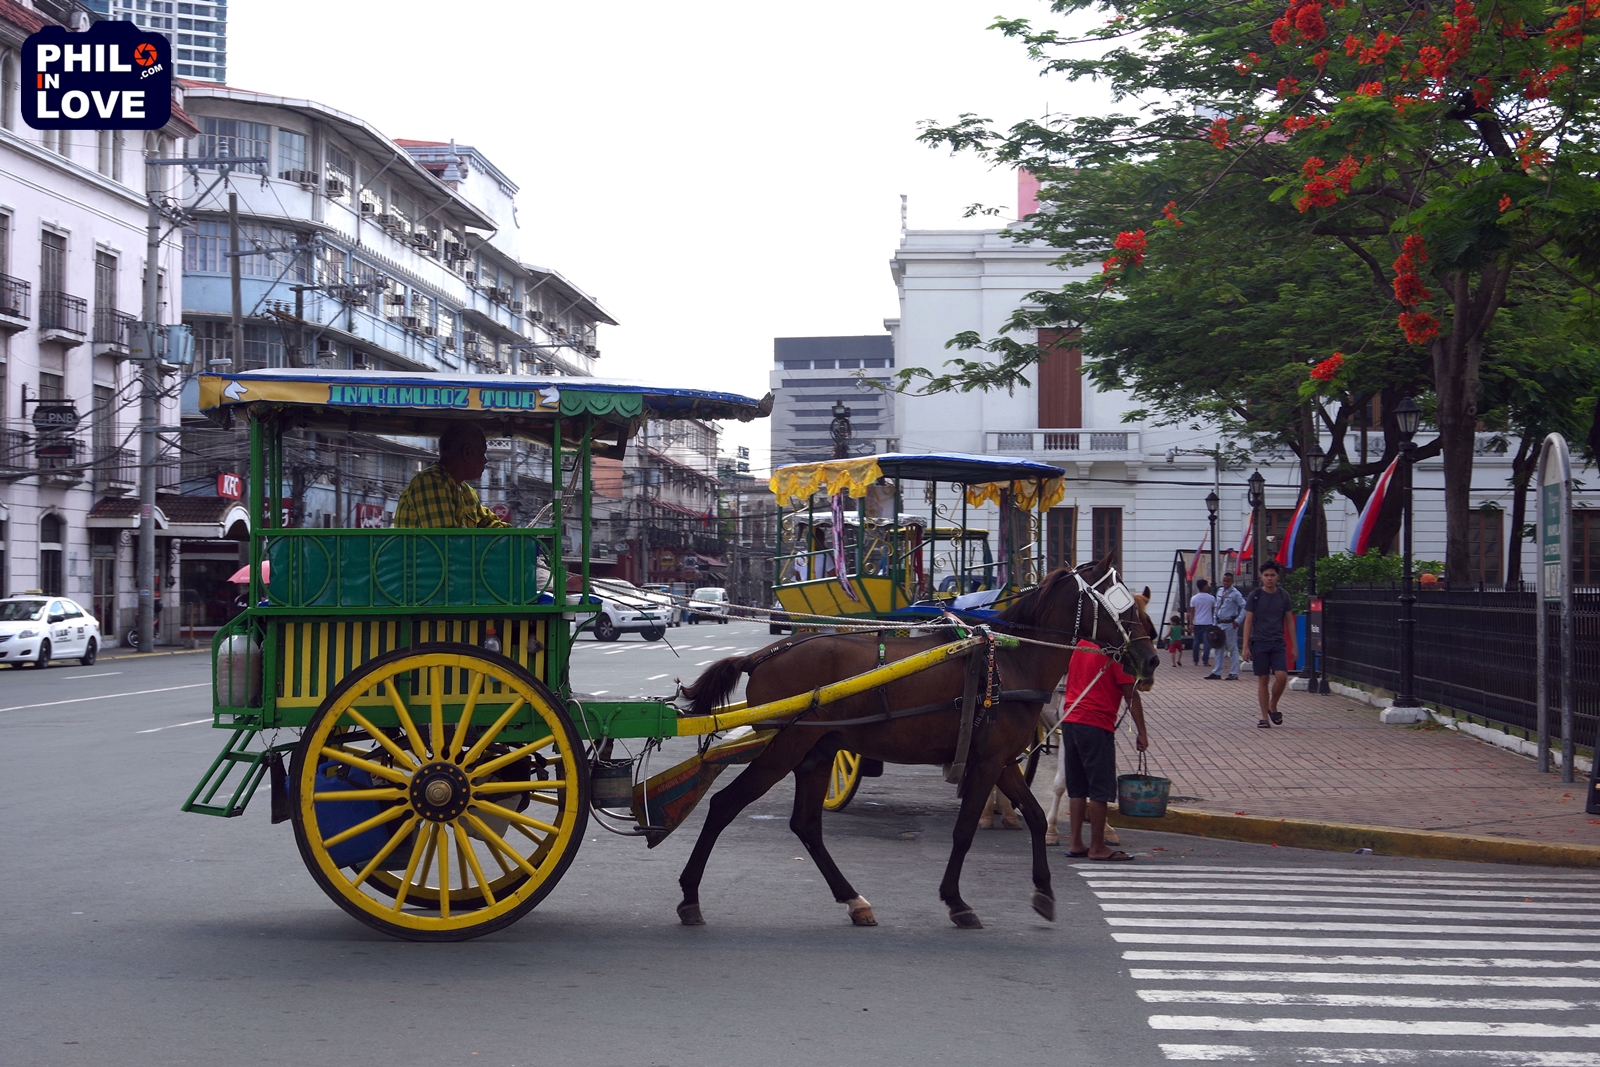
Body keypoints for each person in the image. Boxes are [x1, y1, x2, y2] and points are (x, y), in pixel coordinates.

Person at [1060, 637, 1148, 862]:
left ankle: (1075, 842)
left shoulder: (1081, 645)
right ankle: (1097, 846)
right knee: (1099, 788)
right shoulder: (1116, 652)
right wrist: (1141, 732)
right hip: (1095, 724)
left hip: (1070, 720)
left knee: (1077, 787)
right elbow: (1131, 694)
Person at [395, 423, 509, 529]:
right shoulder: (431, 483)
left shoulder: (466, 492)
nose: (485, 460)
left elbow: (491, 524)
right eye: (482, 454)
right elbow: (446, 541)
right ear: (467, 452)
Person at [1241, 560, 1298, 728]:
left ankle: (1273, 704)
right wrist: (1245, 646)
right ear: (1261, 577)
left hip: (1278, 642)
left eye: (1272, 575)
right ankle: (1264, 716)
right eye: (1266, 575)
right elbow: (1248, 621)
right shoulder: (1255, 596)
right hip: (1259, 642)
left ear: (1278, 577)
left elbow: (1289, 621)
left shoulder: (1283, 596)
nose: (1269, 578)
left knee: (1281, 676)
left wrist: (1294, 646)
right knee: (1263, 679)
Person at [1207, 571, 1247, 680]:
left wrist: (1238, 620)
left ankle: (1233, 672)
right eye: (1224, 580)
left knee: (1232, 648)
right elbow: (1217, 607)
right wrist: (1214, 623)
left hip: (1230, 624)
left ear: (1232, 581)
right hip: (1219, 623)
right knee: (1218, 647)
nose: (1225, 583)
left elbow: (1245, 606)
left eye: (1228, 581)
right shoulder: (1220, 591)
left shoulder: (1235, 593)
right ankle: (1217, 672)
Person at [1187, 577, 1217, 669]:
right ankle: (1205, 661)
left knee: (1196, 641)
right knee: (1207, 642)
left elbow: (1192, 611)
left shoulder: (1194, 598)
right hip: (1208, 622)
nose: (1208, 587)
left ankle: (1195, 660)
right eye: (1206, 585)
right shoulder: (1211, 598)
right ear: (1204, 587)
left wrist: (1190, 623)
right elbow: (1214, 609)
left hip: (1197, 622)